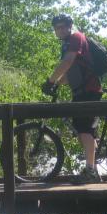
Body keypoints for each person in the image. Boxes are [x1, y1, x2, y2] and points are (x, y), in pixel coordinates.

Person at [42, 14, 103, 183]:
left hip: (89, 91)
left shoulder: (76, 37)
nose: (59, 30)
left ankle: (90, 173)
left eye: (62, 26)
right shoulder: (67, 44)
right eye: (57, 28)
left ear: (70, 26)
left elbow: (68, 62)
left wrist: (50, 81)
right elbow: (70, 73)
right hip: (81, 92)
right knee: (83, 130)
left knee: (85, 130)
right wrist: (57, 84)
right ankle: (93, 171)